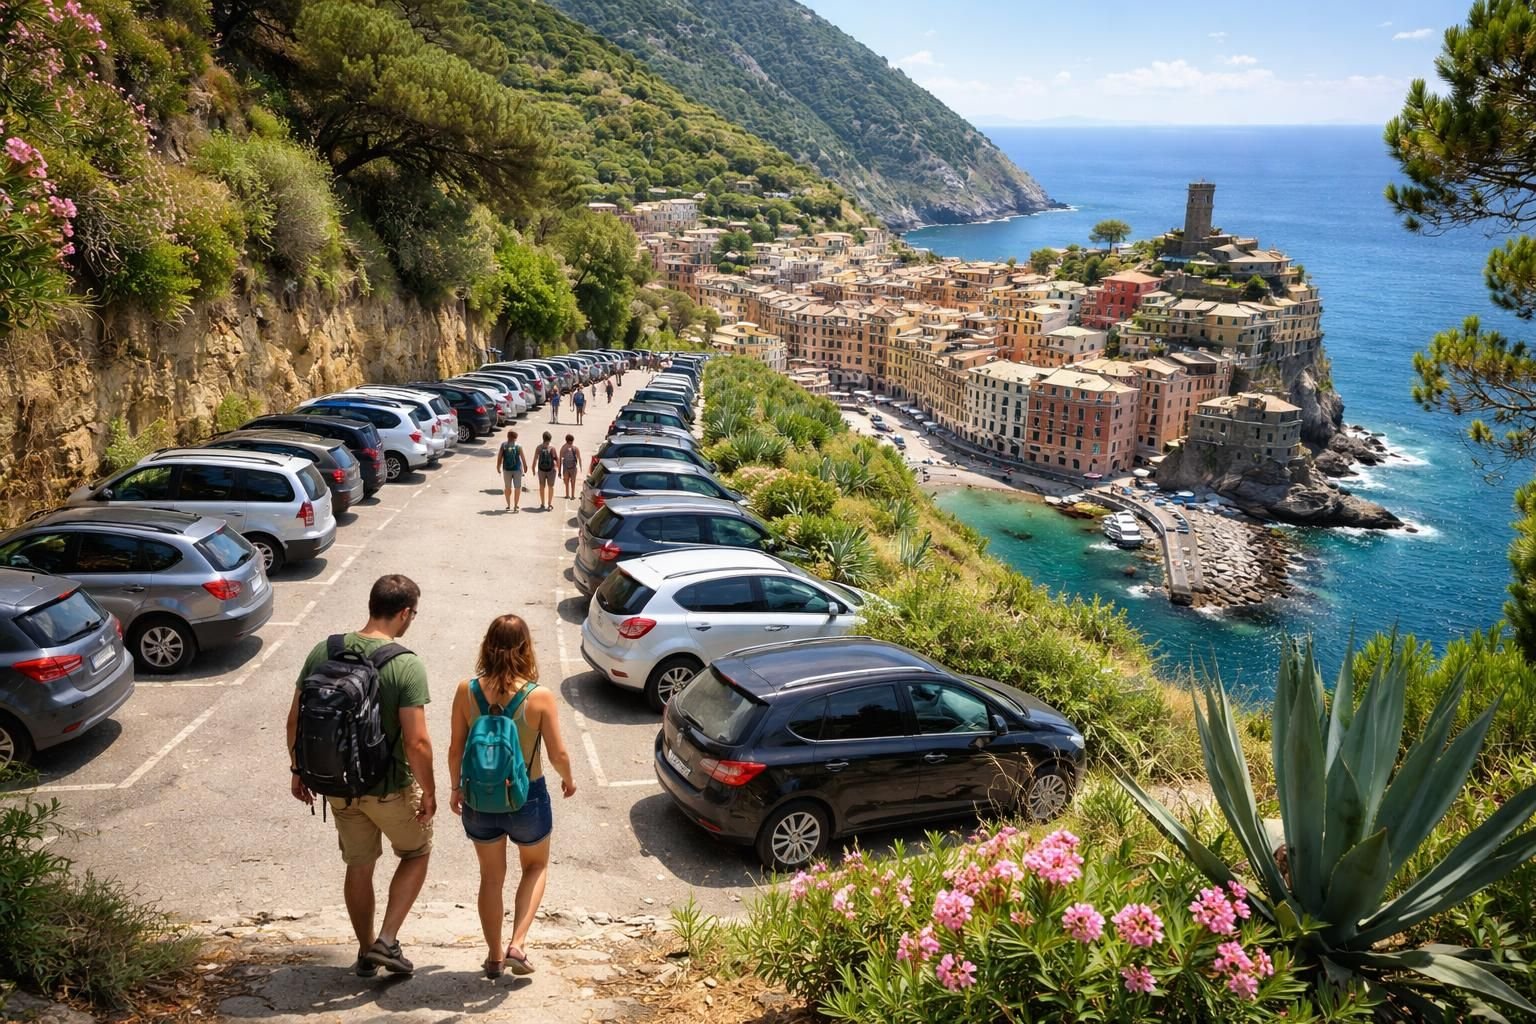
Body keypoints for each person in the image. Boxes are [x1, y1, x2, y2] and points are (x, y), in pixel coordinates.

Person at [287, 575, 434, 978]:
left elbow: (296, 719)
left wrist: (299, 770)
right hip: (388, 788)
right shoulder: (404, 664)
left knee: (359, 865)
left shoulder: (326, 649)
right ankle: (386, 940)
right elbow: (417, 741)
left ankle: (365, 949)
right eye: (413, 614)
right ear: (404, 613)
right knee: (416, 852)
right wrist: (432, 792)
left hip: (338, 787)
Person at [449, 615, 576, 978]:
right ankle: (517, 944)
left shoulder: (466, 690)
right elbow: (557, 754)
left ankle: (493, 957)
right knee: (535, 866)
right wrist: (568, 780)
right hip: (527, 797)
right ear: (526, 648)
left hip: (479, 797)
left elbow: (455, 749)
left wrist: (456, 788)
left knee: (490, 878)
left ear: (486, 645)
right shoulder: (538, 696)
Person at [496, 429, 526, 512]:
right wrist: (525, 467)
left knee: (507, 488)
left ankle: (508, 505)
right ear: (516, 437)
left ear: (508, 436)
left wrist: (498, 466)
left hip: (506, 469)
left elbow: (499, 457)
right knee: (517, 488)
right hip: (517, 469)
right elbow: (523, 458)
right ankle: (516, 506)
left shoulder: (504, 445)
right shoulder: (519, 446)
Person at [533, 431, 557, 510]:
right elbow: (556, 459)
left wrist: (533, 468)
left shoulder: (539, 447)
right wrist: (558, 469)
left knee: (541, 486)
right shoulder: (552, 448)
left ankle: (543, 503)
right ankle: (549, 504)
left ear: (543, 438)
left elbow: (535, 459)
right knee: (551, 487)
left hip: (541, 470)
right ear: (550, 439)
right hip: (551, 470)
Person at [558, 434, 581, 500]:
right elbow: (579, 458)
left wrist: (559, 472)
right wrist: (580, 467)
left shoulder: (563, 448)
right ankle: (573, 495)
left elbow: (560, 460)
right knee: (573, 482)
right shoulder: (575, 448)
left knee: (566, 481)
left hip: (565, 467)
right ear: (572, 440)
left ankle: (567, 495)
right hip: (573, 467)